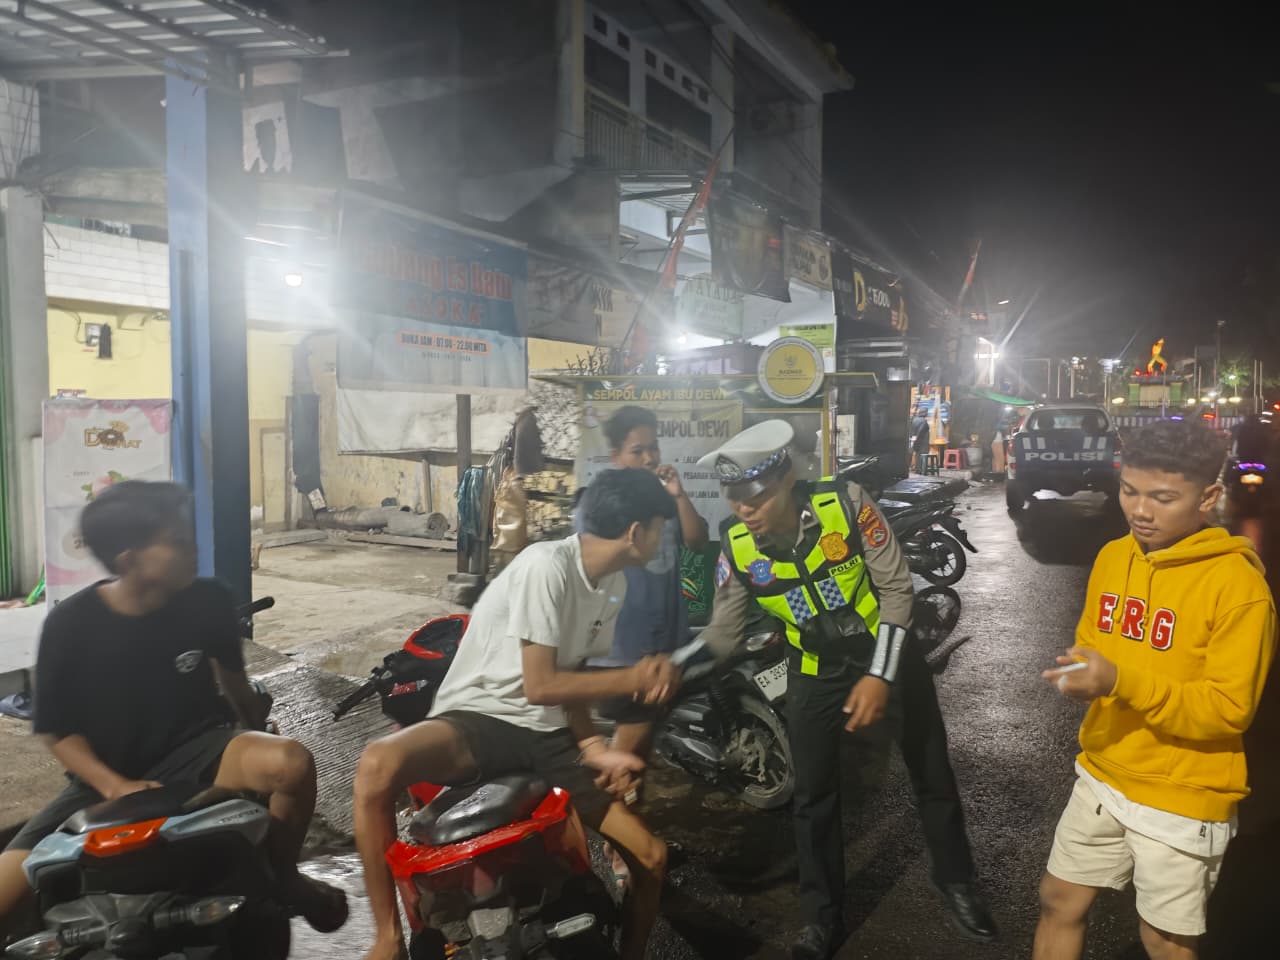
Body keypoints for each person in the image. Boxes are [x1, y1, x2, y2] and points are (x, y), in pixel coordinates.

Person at [695, 421, 996, 960]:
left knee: (931, 770)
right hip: (814, 672)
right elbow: (723, 632)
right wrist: (672, 667)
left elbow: (897, 590)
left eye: (756, 495)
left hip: (888, 654)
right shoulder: (736, 546)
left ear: (785, 479)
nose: (744, 508)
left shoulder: (845, 504)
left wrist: (878, 676)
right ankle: (822, 920)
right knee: (813, 797)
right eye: (734, 496)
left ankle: (957, 881)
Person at [352, 468, 681, 960]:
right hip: (481, 719)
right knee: (377, 764)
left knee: (651, 856)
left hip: (549, 737)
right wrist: (634, 677)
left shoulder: (613, 584)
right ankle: (388, 937)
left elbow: (572, 676)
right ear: (636, 531)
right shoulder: (545, 565)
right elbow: (541, 683)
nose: (662, 538)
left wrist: (594, 747)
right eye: (660, 527)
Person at [0, 481, 346, 938]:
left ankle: (284, 876)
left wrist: (258, 730)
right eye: (177, 541)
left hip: (201, 750)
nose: (193, 549)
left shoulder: (209, 599)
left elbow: (236, 686)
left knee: (291, 762)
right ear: (129, 560)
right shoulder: (71, 624)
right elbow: (56, 730)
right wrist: (115, 785)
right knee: (6, 893)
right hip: (102, 778)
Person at [1033, 419, 1277, 960]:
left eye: (1163, 498)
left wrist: (1120, 681)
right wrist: (1082, 676)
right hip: (1103, 772)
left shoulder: (1238, 587)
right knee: (1058, 901)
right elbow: (1092, 643)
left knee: (1165, 943)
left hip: (1184, 792)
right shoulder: (1113, 557)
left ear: (1208, 497)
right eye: (1129, 491)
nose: (1140, 510)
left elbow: (1228, 710)